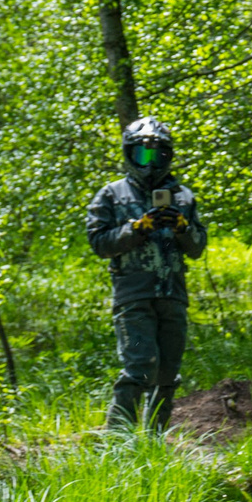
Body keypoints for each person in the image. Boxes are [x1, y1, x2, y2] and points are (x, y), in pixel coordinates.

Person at [86, 117, 210, 428]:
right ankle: (117, 440)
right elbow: (99, 243)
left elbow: (197, 248)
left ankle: (153, 441)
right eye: (143, 155)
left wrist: (182, 228)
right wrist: (136, 228)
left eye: (157, 155)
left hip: (173, 294)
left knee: (168, 373)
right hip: (133, 295)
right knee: (140, 367)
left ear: (168, 156)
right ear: (130, 154)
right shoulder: (112, 195)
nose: (150, 162)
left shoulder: (183, 197)